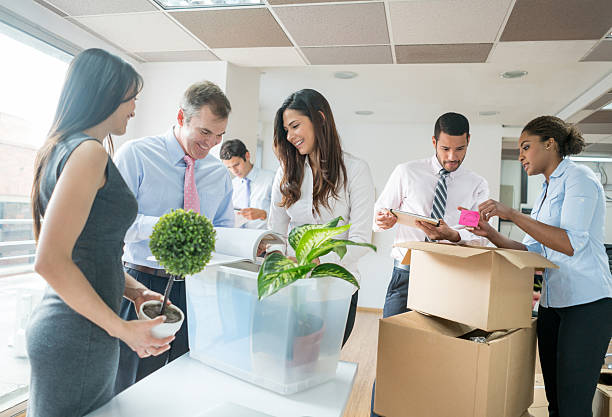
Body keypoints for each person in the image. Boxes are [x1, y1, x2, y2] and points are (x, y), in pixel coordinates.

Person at [27, 48, 174, 417]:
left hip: (76, 331)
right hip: (80, 335)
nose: (134, 109)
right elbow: (50, 262)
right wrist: (123, 330)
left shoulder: (61, 147)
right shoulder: (88, 153)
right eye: (131, 99)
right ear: (107, 94)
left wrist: (136, 291)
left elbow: (90, 252)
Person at [471, 115, 612, 417]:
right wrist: (493, 234)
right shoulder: (545, 190)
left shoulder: (580, 179)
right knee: (556, 405)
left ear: (550, 144)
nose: (520, 155)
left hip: (586, 305)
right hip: (552, 305)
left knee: (573, 407)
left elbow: (569, 243)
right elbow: (531, 250)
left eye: (525, 147)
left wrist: (511, 213)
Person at [113, 81, 234, 394]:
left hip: (196, 290)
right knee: (133, 385)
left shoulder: (218, 173)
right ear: (182, 117)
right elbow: (114, 224)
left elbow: (222, 229)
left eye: (220, 134)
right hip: (141, 286)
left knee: (186, 382)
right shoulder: (136, 155)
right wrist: (174, 227)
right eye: (205, 132)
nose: (212, 143)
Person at [370, 112, 489, 416]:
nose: (452, 157)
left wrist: (453, 234)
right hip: (406, 273)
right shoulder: (407, 172)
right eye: (446, 149)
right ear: (434, 142)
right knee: (393, 356)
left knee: (440, 359)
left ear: (468, 142)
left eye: (460, 149)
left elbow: (478, 235)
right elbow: (379, 216)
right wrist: (383, 219)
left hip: (451, 278)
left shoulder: (475, 185)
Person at [267, 88, 375, 347]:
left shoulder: (356, 171)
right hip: (293, 288)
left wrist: (315, 260)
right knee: (289, 359)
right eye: (286, 130)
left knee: (324, 362)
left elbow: (360, 239)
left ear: (320, 119)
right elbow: (275, 230)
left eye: (295, 126)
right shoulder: (286, 172)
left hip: (337, 289)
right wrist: (275, 257)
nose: (290, 136)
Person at [220, 138, 274, 229]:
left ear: (247, 156)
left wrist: (264, 214)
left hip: (265, 238)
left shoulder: (271, 179)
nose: (234, 171)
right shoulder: (232, 185)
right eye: (229, 167)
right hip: (239, 237)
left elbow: (284, 213)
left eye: (236, 165)